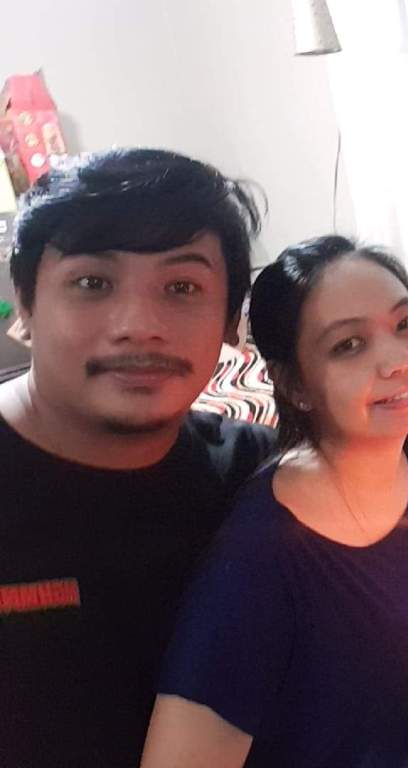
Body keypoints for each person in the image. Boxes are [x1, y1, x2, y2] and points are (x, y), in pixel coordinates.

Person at [141, 235, 408, 768]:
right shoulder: (259, 560)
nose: (399, 360)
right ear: (295, 385)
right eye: (349, 345)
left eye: (405, 323)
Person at [0, 148, 275, 768]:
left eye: (182, 287)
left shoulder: (260, 477)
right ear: (26, 303)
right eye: (92, 283)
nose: (139, 325)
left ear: (230, 322)